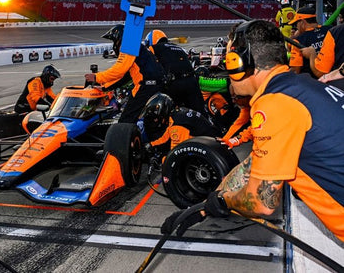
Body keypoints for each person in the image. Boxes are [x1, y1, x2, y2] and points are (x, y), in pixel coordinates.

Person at [161, 19, 344, 242]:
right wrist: (204, 206)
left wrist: (223, 203)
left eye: (229, 60)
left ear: (242, 62)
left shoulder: (274, 103)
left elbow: (262, 202)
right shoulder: (300, 88)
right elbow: (252, 166)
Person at [84, 24, 165, 123]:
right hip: (156, 85)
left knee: (125, 120)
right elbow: (126, 76)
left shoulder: (129, 46)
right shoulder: (138, 47)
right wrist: (106, 87)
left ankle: (126, 136)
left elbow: (119, 70)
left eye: (114, 41)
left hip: (146, 86)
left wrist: (97, 77)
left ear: (119, 39)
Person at [144, 29, 206, 114]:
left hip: (174, 84)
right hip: (192, 82)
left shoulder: (153, 48)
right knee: (200, 114)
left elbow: (148, 66)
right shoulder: (179, 48)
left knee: (166, 113)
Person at [140, 92, 222, 154]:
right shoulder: (178, 113)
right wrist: (152, 144)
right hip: (212, 139)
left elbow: (177, 152)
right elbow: (166, 135)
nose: (155, 120)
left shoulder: (177, 125)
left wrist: (165, 160)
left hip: (213, 148)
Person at [287, 6, 331, 77]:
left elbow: (295, 70)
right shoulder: (330, 30)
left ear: (302, 22)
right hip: (334, 79)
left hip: (311, 83)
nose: (296, 27)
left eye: (296, 24)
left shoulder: (299, 41)